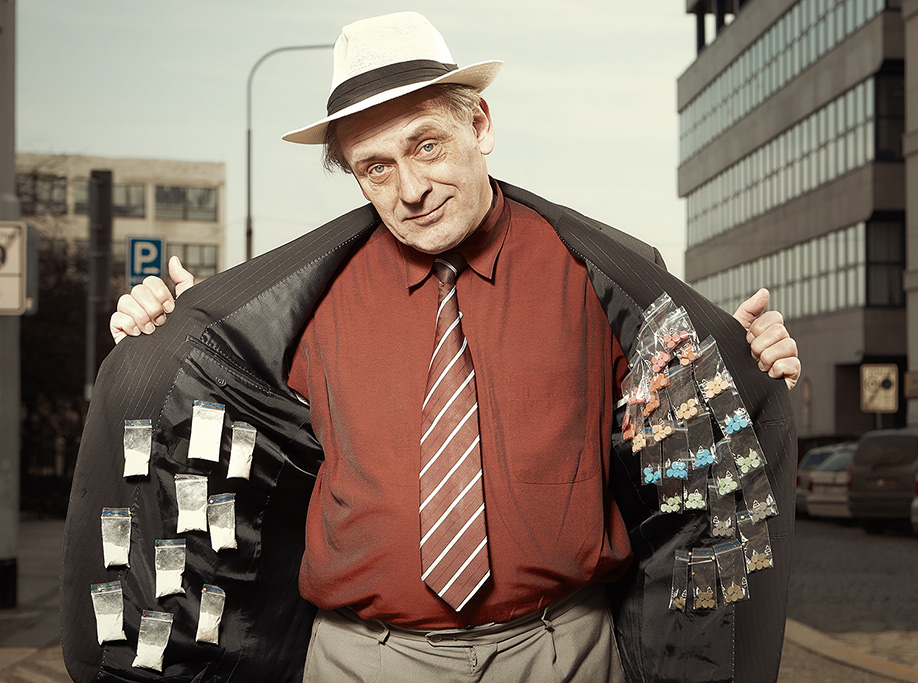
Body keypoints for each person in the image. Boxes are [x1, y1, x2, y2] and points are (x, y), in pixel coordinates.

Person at [63, 12, 799, 683]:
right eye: (376, 167)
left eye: (426, 145)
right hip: (362, 658)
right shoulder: (297, 306)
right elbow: (212, 407)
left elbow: (686, 428)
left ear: (479, 123)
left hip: (561, 651)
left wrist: (751, 361)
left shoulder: (601, 279)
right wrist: (161, 337)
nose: (411, 189)